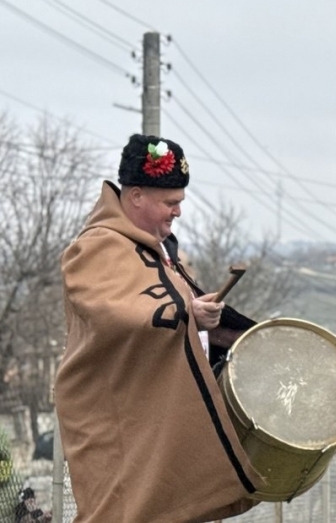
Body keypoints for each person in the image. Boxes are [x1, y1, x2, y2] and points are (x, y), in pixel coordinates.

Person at [54, 134, 264, 523]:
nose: (178, 212)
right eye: (171, 202)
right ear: (136, 196)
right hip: (115, 422)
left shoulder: (159, 251)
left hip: (152, 422)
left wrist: (216, 325)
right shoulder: (96, 248)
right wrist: (186, 314)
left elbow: (166, 313)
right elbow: (112, 314)